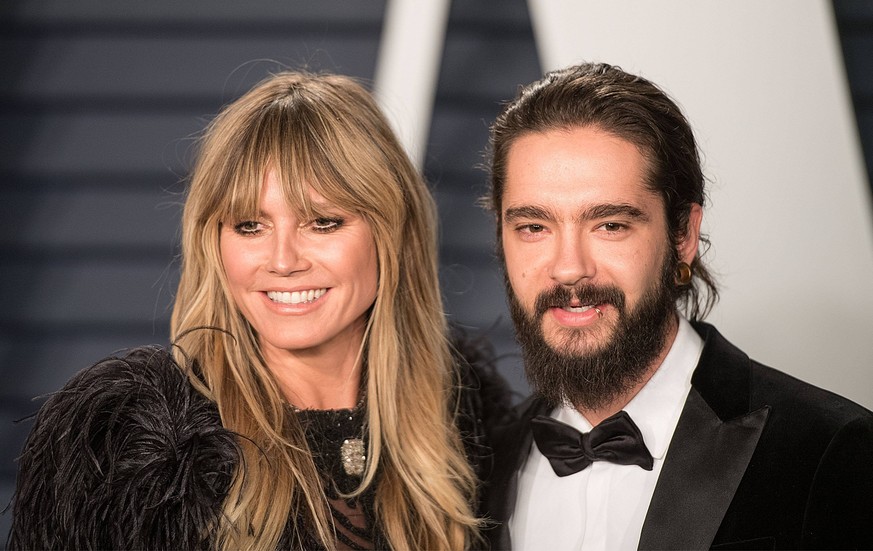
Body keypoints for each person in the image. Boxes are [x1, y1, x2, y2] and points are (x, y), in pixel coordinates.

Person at [8, 71, 509, 550]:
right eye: (250, 225)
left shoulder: (466, 419)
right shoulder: (133, 444)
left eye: (323, 222)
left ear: (391, 233)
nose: (283, 260)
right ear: (214, 242)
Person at [480, 62, 873, 550]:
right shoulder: (480, 468)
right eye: (534, 228)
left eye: (610, 225)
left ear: (683, 235)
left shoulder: (830, 451)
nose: (568, 269)